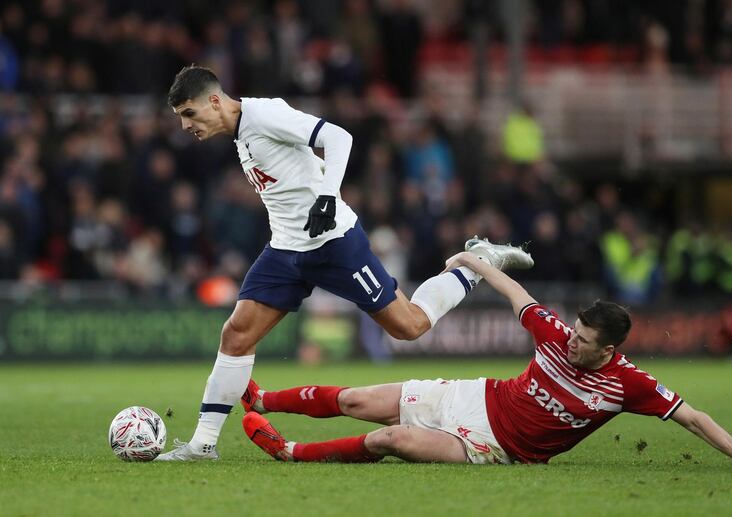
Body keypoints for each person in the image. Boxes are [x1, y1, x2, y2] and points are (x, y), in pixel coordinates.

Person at [157, 66, 533, 460]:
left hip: (334, 243)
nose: (185, 125)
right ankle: (203, 444)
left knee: (409, 326)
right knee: (235, 336)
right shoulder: (239, 134)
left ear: (215, 101)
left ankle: (475, 264)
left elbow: (338, 137)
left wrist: (328, 196)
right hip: (286, 250)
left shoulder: (264, 115)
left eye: (189, 113)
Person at [240, 251, 732, 468]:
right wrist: (477, 261)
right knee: (361, 399)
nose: (570, 343)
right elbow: (514, 294)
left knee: (392, 439)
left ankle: (290, 452)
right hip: (474, 395)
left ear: (609, 351)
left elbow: (693, 418)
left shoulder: (628, 385)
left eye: (582, 342)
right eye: (572, 333)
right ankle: (261, 398)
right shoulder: (553, 333)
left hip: (495, 448)